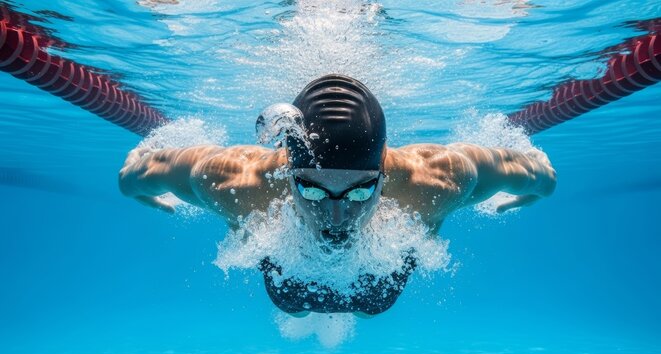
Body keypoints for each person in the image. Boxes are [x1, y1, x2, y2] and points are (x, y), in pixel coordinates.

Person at [119, 74, 556, 317]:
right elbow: (139, 173)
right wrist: (135, 184)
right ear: (285, 171)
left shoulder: (435, 180)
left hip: (378, 288)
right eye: (309, 188)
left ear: (384, 169)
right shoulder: (235, 182)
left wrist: (539, 186)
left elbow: (533, 171)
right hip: (287, 282)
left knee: (371, 308)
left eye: (361, 189)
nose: (336, 212)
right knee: (295, 309)